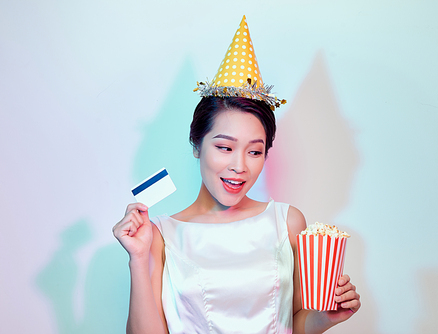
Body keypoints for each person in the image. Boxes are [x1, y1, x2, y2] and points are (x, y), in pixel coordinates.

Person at [113, 16, 360, 334]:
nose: (240, 166)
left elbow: (295, 324)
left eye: (255, 151)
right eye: (225, 148)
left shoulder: (288, 222)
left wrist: (324, 318)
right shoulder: (159, 235)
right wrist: (138, 257)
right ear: (196, 145)